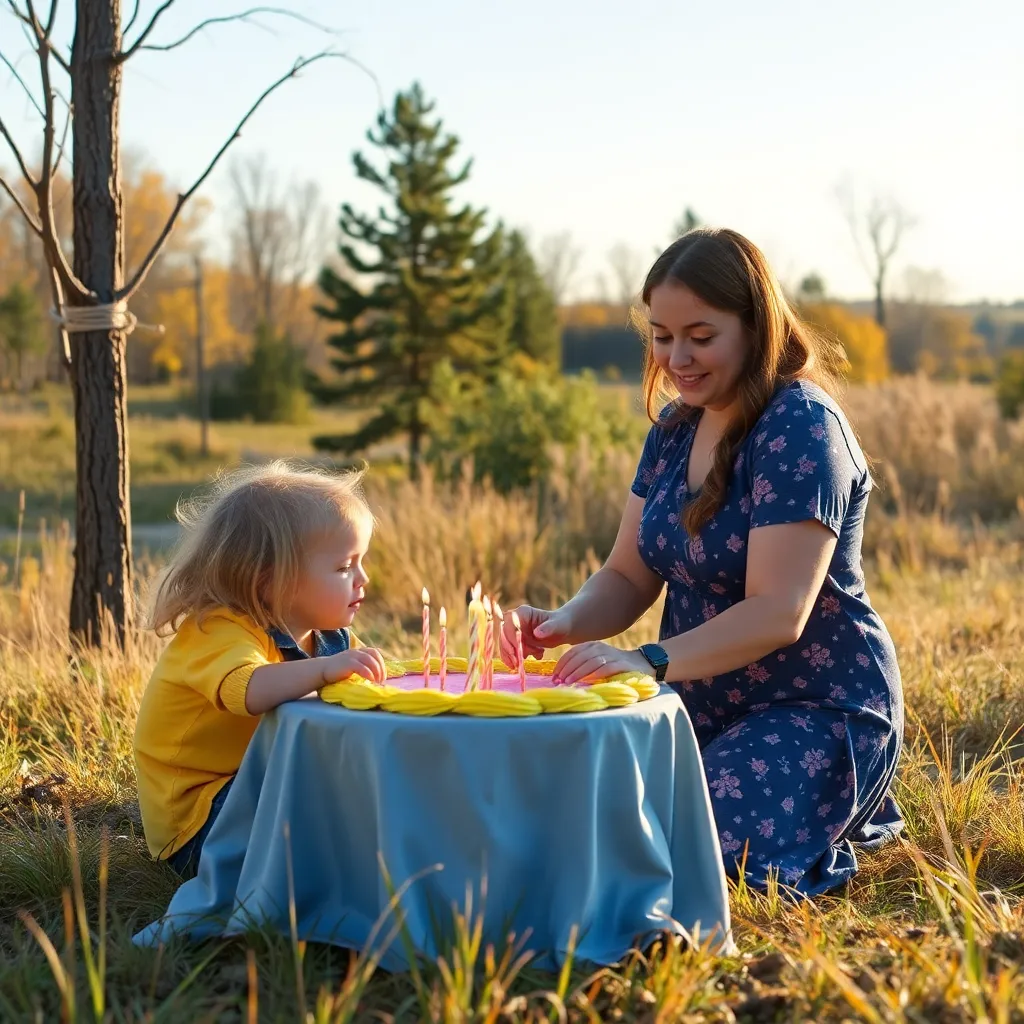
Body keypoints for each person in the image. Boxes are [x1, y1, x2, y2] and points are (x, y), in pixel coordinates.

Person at [502, 228, 904, 894]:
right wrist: (560, 623)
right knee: (577, 807)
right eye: (662, 336)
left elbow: (778, 611)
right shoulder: (674, 429)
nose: (677, 358)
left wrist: (647, 660)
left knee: (688, 846)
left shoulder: (801, 426)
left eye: (700, 336)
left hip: (813, 707)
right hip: (693, 702)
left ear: (756, 327)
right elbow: (627, 574)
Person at [133, 461, 387, 877]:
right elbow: (248, 690)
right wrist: (326, 671)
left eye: (361, 562)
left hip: (263, 785)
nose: (363, 579)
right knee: (328, 817)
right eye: (345, 567)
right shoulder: (218, 630)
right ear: (270, 581)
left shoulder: (326, 637)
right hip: (202, 818)